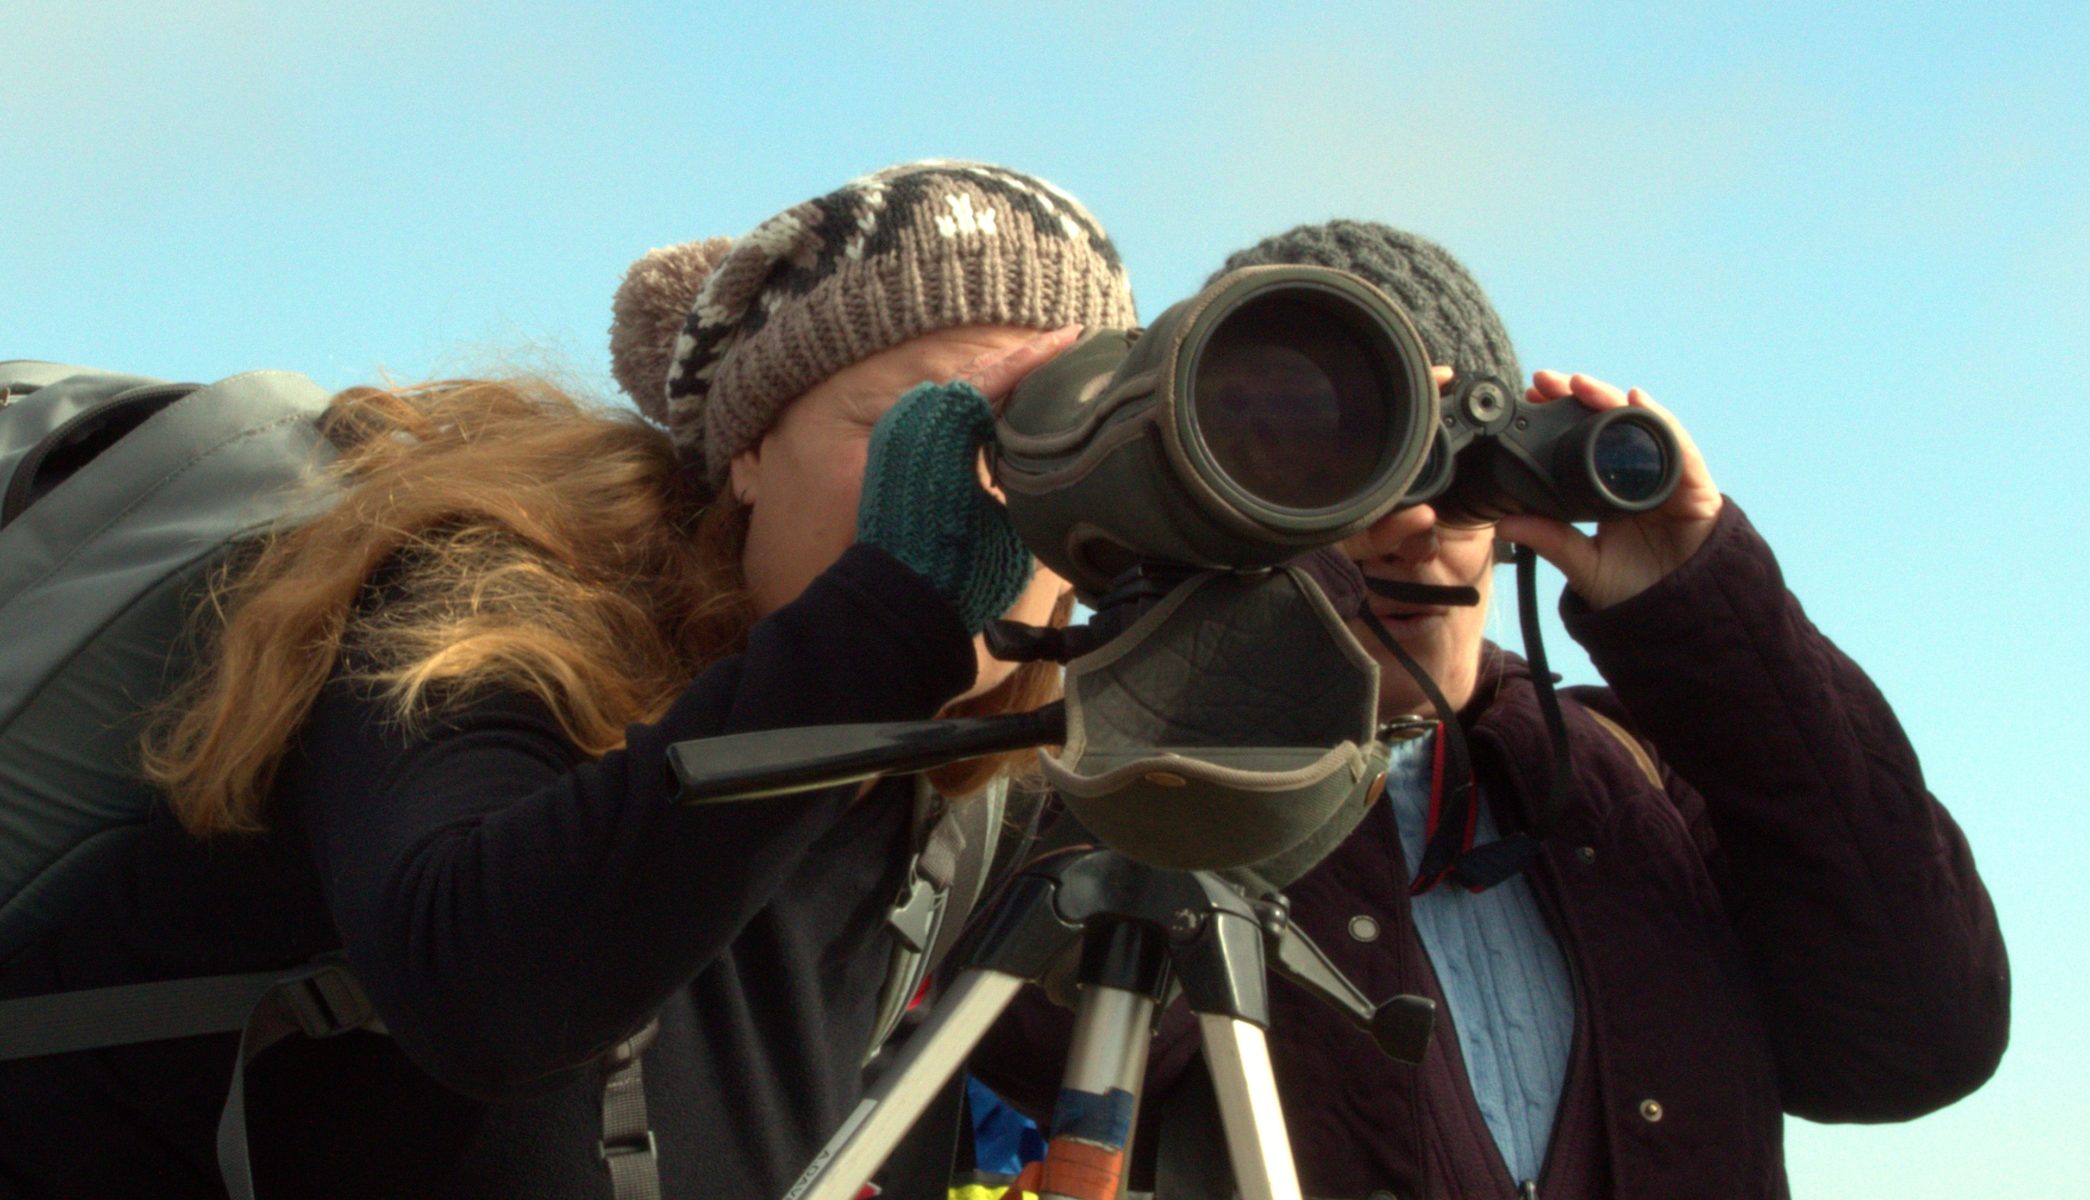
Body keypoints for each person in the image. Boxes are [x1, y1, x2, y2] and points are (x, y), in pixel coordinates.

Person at [0, 160, 1135, 1199]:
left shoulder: (945, 787)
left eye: (1043, 447)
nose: (983, 495)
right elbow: (484, 996)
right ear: (748, 448)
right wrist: (889, 620)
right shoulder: (485, 604)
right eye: (919, 428)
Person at [969, 220, 2009, 1199]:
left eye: (1449, 468)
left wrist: (1715, 636)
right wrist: (1259, 634)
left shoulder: (1637, 775)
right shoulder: (1121, 781)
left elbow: (1916, 1044)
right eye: (1335, 477)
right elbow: (1027, 1061)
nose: (1410, 527)